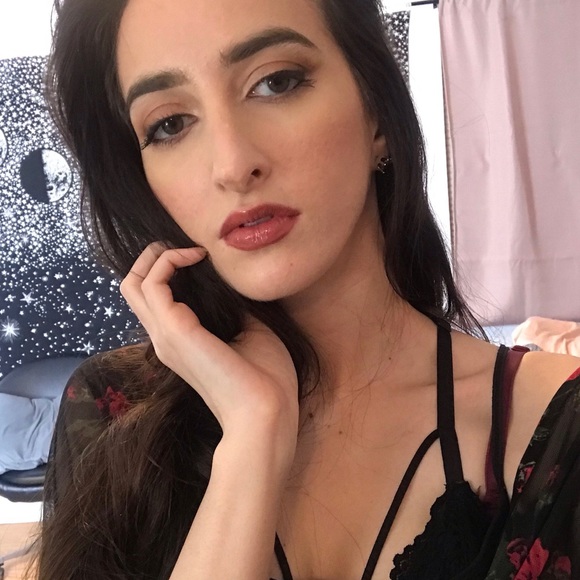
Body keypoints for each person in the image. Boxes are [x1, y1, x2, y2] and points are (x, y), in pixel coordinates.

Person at [34, 0, 580, 578]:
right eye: (170, 124)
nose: (232, 165)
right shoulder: (110, 409)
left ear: (376, 113)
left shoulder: (556, 428)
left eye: (275, 82)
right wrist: (254, 437)